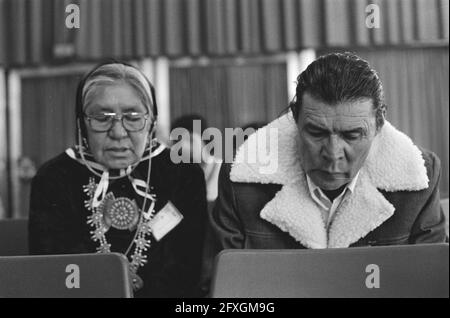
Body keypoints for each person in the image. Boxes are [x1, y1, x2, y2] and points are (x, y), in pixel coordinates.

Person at [204, 52, 446, 280]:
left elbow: (431, 285)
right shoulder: (242, 178)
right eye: (316, 133)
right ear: (295, 119)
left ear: (378, 124)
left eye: (351, 136)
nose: (332, 154)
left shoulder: (418, 179)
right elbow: (222, 288)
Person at [29, 61, 207, 298]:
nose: (118, 132)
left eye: (133, 117)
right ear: (82, 124)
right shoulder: (54, 178)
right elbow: (54, 272)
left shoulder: (183, 174)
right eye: (102, 118)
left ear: (151, 121)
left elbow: (186, 272)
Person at [171, 114, 222, 213]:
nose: (184, 148)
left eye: (190, 140)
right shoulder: (178, 177)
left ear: (205, 141)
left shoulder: (223, 170)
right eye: (177, 142)